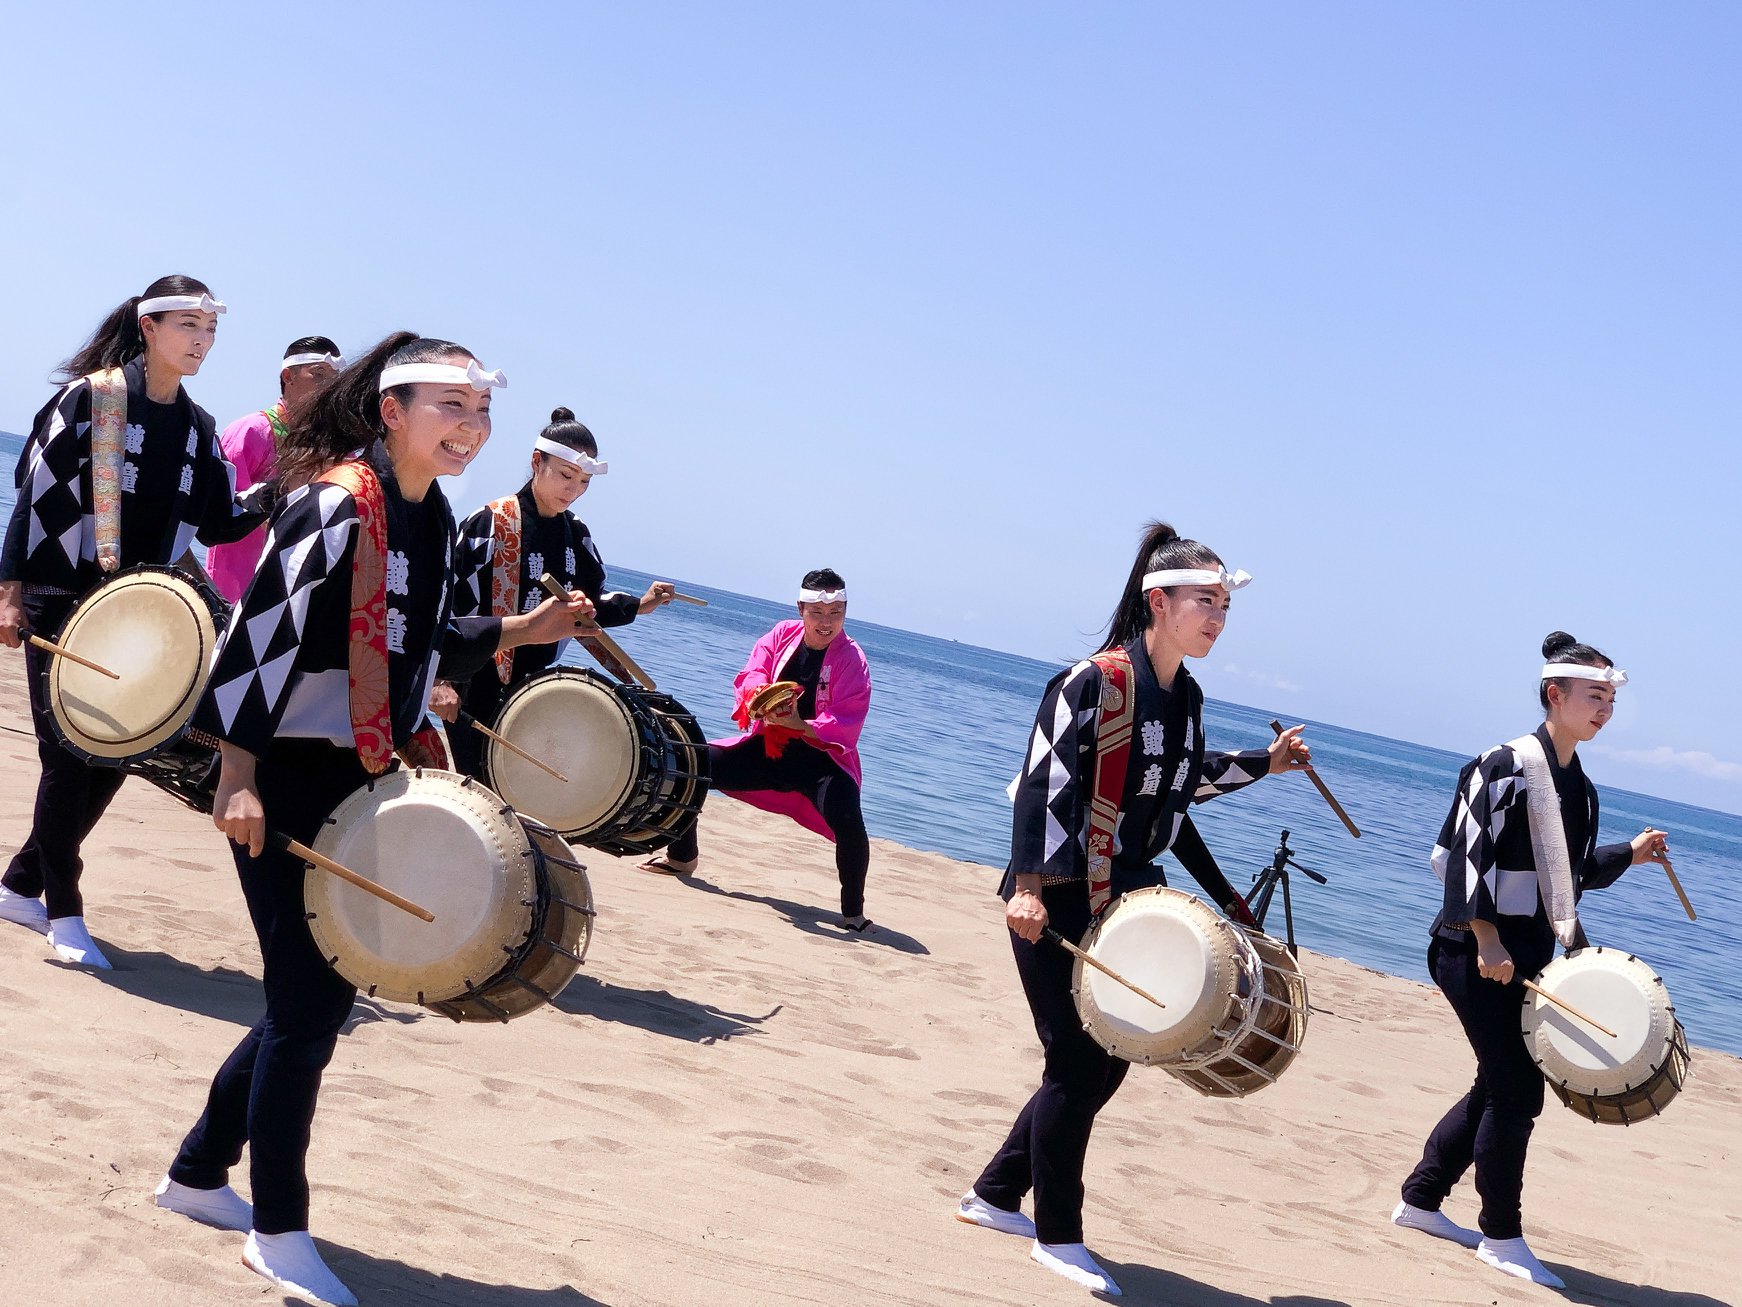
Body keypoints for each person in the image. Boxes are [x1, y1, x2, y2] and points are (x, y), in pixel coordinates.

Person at [150, 334, 594, 1307]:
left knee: (311, 997)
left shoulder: (430, 516)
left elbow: (419, 640)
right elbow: (259, 630)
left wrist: (521, 629)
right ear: (392, 411)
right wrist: (235, 772)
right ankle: (278, 1229)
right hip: (280, 769)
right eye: (450, 407)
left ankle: (196, 1172)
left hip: (359, 773)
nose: (471, 427)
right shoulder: (337, 501)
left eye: (481, 411)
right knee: (309, 1006)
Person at [956, 522, 1312, 1297]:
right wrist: (1027, 887)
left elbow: (1180, 785)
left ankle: (994, 1193)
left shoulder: (1186, 697)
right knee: (1079, 1060)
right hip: (1055, 898)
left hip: (1125, 906)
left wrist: (1268, 765)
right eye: (1204, 600)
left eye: (1224, 604)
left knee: (1104, 1058)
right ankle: (1058, 1235)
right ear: (1159, 602)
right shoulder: (1092, 682)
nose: (1217, 616)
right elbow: (1041, 784)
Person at [0, 275, 269, 969]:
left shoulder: (198, 426)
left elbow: (220, 520)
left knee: (115, 755)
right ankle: (65, 911)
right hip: (62, 597)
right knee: (67, 756)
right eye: (189, 326)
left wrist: (283, 494)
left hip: (140, 616)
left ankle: (20, 886)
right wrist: (9, 593)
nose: (202, 341)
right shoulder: (91, 398)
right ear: (149, 327)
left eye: (210, 330)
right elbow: (31, 492)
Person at [1393, 632, 1671, 1289]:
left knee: (1498, 1083)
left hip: (1526, 954)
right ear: (1555, 694)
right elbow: (1461, 858)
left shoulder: (1582, 787)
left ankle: (1421, 1199)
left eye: (1610, 699)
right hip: (1471, 949)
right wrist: (1486, 935)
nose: (1604, 709)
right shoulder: (1502, 764)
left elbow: (1565, 877)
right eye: (1594, 696)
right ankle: (1501, 1235)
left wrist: (1629, 854)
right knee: (1517, 1089)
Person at [435, 405, 674, 775]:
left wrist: (641, 604)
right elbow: (443, 601)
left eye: (584, 482)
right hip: (473, 683)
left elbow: (590, 605)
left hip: (535, 689)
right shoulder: (491, 522)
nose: (574, 490)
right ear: (537, 462)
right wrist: (440, 680)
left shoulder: (577, 534)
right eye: (566, 475)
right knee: (480, 788)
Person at [642, 568, 875, 932]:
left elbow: (848, 717)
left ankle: (853, 914)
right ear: (801, 608)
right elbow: (753, 673)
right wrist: (759, 699)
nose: (826, 622)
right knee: (689, 766)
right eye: (817, 612)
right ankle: (682, 858)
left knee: (849, 822)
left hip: (821, 762)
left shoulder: (852, 659)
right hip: (768, 749)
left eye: (836, 613)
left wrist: (801, 724)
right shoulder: (782, 634)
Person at [205, 336, 345, 603]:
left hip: (298, 591)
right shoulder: (250, 432)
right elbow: (222, 512)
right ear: (288, 376)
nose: (328, 386)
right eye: (318, 375)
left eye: (334, 379)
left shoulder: (333, 447)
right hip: (236, 588)